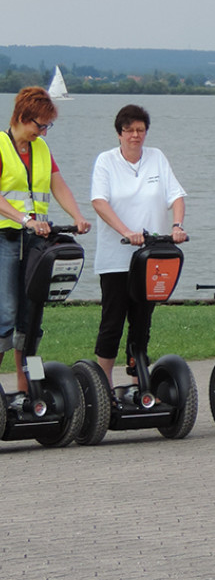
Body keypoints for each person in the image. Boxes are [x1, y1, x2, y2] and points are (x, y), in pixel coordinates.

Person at [0, 87, 91, 389]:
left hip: (36, 242)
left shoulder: (41, 149)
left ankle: (27, 390)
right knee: (7, 312)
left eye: (47, 126)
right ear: (23, 118)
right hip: (5, 239)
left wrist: (78, 217)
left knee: (31, 314)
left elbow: (58, 185)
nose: (45, 132)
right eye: (41, 125)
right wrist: (25, 219)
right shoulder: (0, 146)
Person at [90, 105, 188, 384]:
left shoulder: (156, 157)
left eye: (140, 130)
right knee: (112, 322)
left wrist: (177, 226)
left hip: (150, 257)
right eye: (129, 130)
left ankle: (138, 381)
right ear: (119, 133)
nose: (135, 135)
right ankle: (103, 384)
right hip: (116, 258)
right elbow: (99, 201)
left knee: (142, 322)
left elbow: (176, 195)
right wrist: (126, 231)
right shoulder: (106, 161)